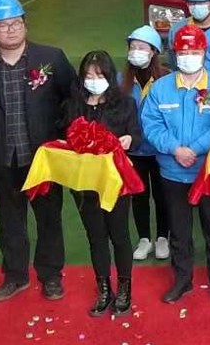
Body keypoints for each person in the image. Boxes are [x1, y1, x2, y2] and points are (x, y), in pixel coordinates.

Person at [0, 0, 76, 302]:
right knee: (9, 220)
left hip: (43, 158)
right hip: (2, 157)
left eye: (15, 23)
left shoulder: (51, 58)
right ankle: (15, 275)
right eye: (2, 25)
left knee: (49, 218)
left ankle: (51, 275)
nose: (10, 30)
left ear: (25, 24)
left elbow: (70, 97)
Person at [137, 23, 210, 305]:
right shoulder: (161, 88)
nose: (188, 57)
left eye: (194, 51)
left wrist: (196, 149)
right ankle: (182, 279)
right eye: (183, 52)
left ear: (204, 53)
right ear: (174, 54)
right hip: (173, 172)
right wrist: (175, 149)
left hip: (208, 171)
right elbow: (151, 124)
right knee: (179, 231)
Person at [59, 50, 145, 318]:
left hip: (114, 182)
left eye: (99, 76)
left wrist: (129, 140)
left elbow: (137, 136)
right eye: (88, 76)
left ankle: (125, 288)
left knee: (119, 235)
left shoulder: (125, 104)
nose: (93, 81)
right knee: (95, 236)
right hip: (84, 184)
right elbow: (63, 136)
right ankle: (104, 288)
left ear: (110, 76)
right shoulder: (73, 106)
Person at [122, 26, 172, 263]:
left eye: (141, 47)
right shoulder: (121, 81)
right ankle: (144, 238)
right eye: (132, 47)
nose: (136, 52)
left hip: (160, 150)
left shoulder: (166, 78)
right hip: (134, 151)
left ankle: (162, 237)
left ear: (153, 51)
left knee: (162, 195)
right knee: (139, 195)